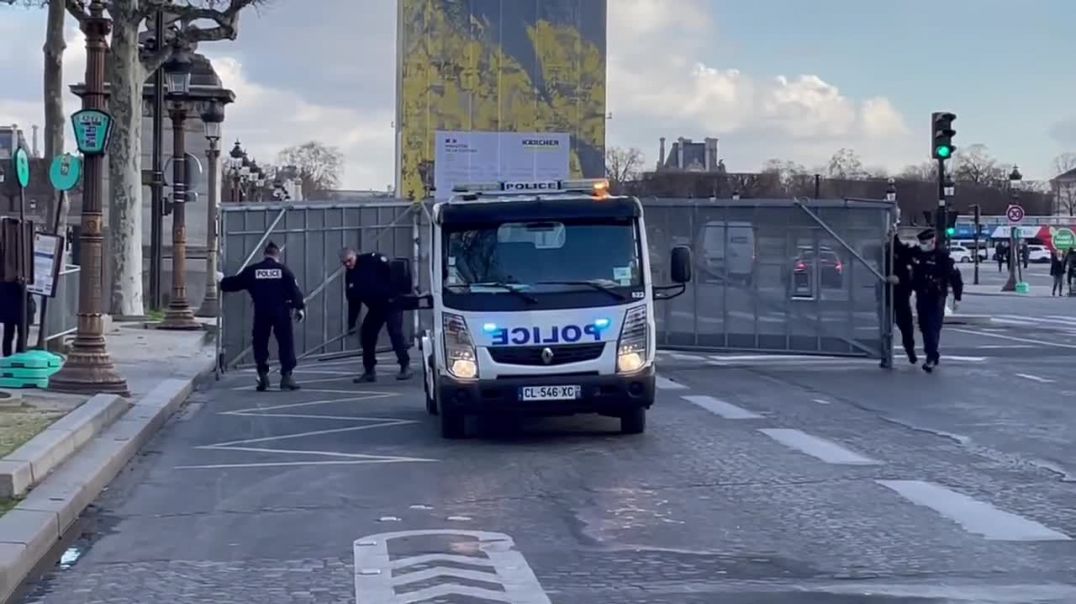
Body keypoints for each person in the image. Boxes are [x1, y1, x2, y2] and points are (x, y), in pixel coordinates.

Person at [219, 241, 305, 391]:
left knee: (260, 343)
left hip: (261, 311)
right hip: (281, 311)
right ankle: (287, 376)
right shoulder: (284, 271)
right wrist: (300, 308)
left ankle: (263, 376)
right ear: (277, 256)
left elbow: (233, 284)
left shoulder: (253, 270)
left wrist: (221, 280)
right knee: (286, 343)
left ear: (264, 255)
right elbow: (295, 292)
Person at [340, 247, 411, 382]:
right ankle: (369, 370)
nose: (348, 265)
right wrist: (351, 324)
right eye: (345, 263)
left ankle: (405, 365)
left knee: (395, 332)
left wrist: (394, 293)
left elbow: (393, 273)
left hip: (391, 303)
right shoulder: (350, 275)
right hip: (376, 307)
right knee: (367, 334)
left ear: (355, 255)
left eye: (349, 261)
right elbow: (353, 302)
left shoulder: (372, 260)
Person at [911, 229, 963, 373]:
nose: (922, 245)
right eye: (921, 242)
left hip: (937, 295)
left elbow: (956, 278)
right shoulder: (918, 254)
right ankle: (932, 353)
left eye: (925, 242)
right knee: (924, 326)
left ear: (933, 241)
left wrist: (957, 297)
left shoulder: (943, 256)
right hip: (921, 294)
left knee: (933, 326)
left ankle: (931, 356)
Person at [890, 234, 918, 364]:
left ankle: (909, 350)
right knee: (905, 325)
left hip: (898, 294)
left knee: (904, 325)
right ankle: (909, 350)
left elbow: (910, 274)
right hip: (898, 295)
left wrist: (899, 281)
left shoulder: (901, 252)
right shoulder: (885, 251)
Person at [0, 281, 29, 357]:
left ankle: (7, 355)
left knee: (8, 331)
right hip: (19, 300)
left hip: (7, 297)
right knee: (23, 331)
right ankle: (19, 354)